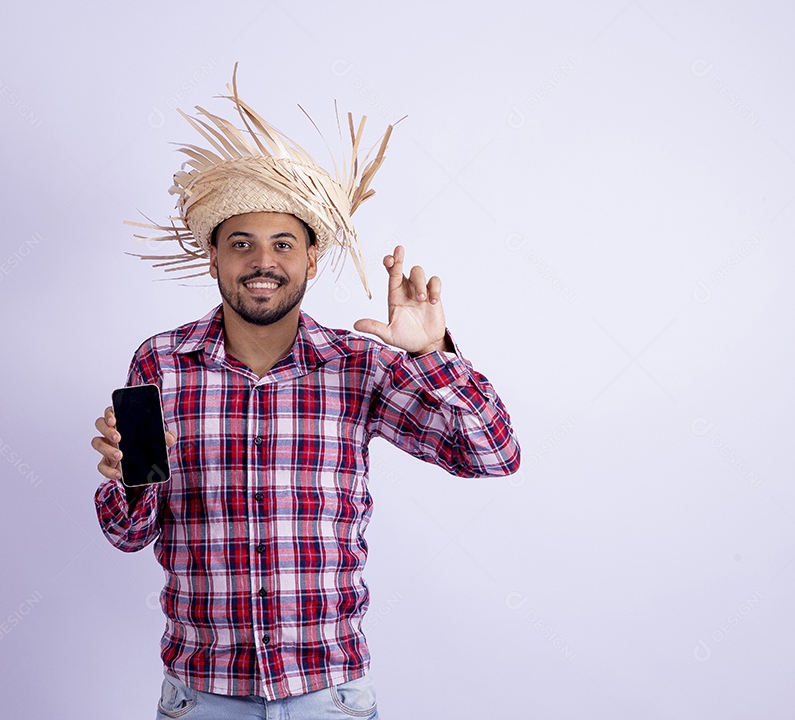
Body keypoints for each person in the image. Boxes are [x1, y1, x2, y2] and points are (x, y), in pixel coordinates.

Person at [90, 69, 520, 720]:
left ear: (312, 259)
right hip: (202, 700)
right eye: (242, 244)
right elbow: (127, 534)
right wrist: (133, 479)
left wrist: (430, 357)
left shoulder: (358, 366)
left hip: (331, 699)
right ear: (214, 257)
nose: (263, 261)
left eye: (283, 244)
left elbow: (493, 453)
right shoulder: (161, 364)